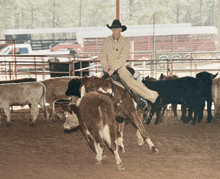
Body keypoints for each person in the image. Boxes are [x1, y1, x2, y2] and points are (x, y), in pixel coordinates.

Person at [100, 19, 159, 108]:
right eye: (113, 29)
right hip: (107, 69)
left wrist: (113, 69)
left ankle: (145, 98)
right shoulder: (106, 40)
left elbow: (123, 58)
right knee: (98, 84)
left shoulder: (124, 42)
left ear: (120, 30)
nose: (114, 31)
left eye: (116, 29)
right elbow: (103, 54)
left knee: (130, 83)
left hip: (119, 69)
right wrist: (105, 66)